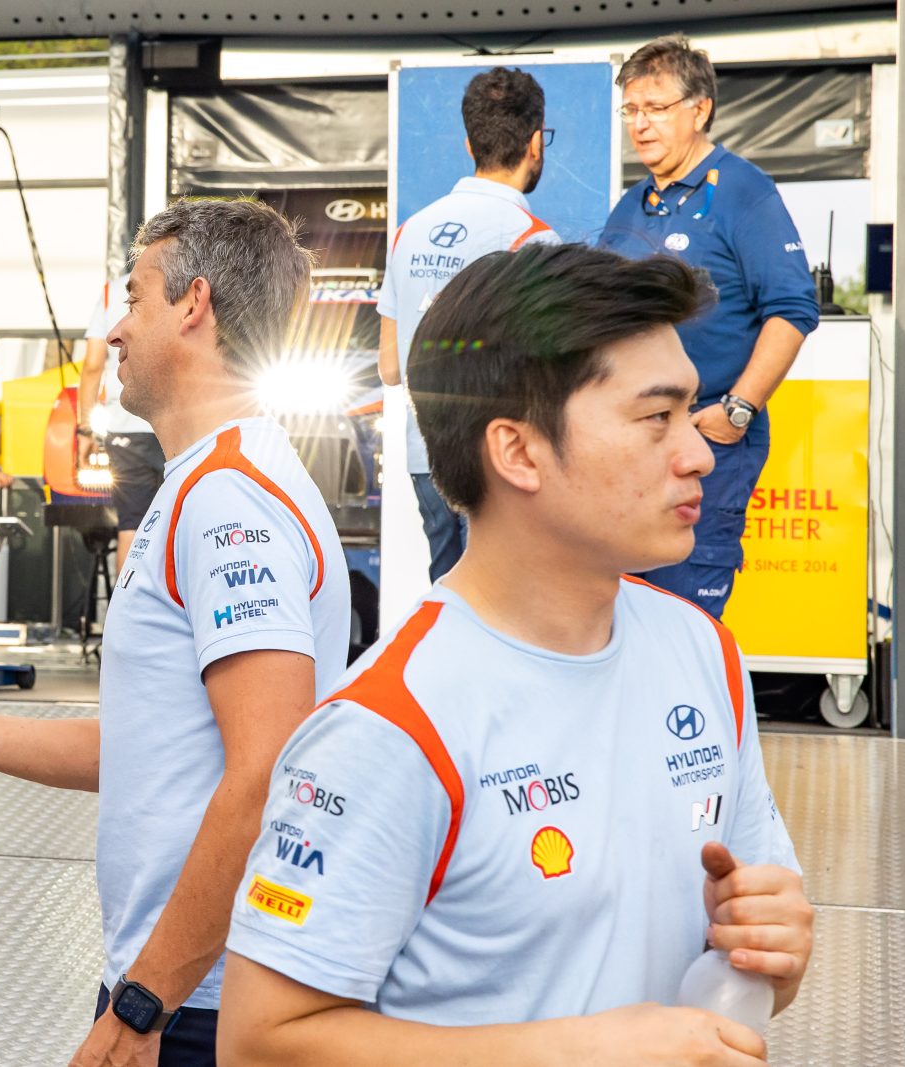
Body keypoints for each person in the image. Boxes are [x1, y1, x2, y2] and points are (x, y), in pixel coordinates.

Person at [217, 243, 813, 1065]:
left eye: (692, 411)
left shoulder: (701, 651)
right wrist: (581, 1052)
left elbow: (746, 949)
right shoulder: (392, 723)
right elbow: (259, 1042)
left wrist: (774, 950)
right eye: (657, 417)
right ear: (518, 451)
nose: (699, 452)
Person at [0, 199, 350, 1067]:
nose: (116, 328)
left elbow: (265, 774)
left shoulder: (229, 501)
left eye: (135, 297)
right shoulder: (200, 485)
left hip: (199, 999)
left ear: (194, 304)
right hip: (179, 981)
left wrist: (142, 1004)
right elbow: (150, 746)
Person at [599, 34, 819, 618]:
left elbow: (793, 309)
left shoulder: (744, 191)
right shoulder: (630, 207)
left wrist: (737, 410)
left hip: (707, 438)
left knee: (686, 617)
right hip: (631, 449)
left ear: (700, 110)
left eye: (656, 107)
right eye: (631, 110)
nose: (640, 124)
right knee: (624, 617)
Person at [378, 66, 563, 582]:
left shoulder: (410, 231)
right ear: (535, 143)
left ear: (469, 143)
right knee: (503, 601)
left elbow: (389, 367)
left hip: (426, 457)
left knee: (449, 596)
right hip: (496, 462)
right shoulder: (533, 240)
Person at [78, 271, 167, 573]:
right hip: (172, 420)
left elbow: (93, 365)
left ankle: (127, 601)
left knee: (131, 522)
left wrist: (85, 430)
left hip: (125, 425)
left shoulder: (111, 291)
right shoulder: (184, 272)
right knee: (185, 515)